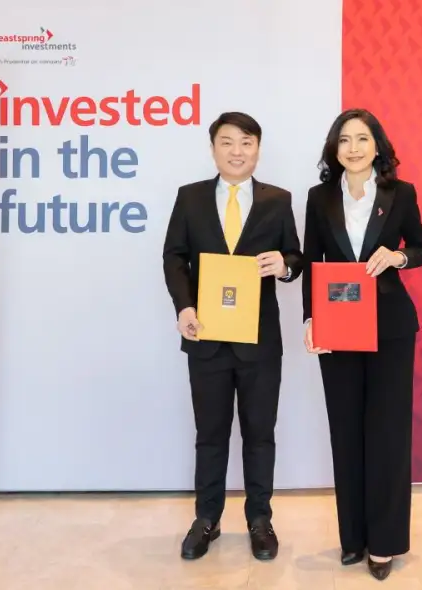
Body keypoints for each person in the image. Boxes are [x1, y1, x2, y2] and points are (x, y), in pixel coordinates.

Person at [162, 112, 304, 561]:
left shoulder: (277, 200)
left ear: (258, 149)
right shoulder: (190, 197)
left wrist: (285, 266)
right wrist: (184, 307)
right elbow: (174, 257)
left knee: (260, 433)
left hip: (259, 340)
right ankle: (207, 518)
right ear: (213, 149)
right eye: (227, 142)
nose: (237, 151)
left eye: (246, 142)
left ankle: (260, 520)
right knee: (210, 434)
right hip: (205, 336)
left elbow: (296, 256)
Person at [301, 108, 422, 581]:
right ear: (334, 149)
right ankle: (352, 538)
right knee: (346, 432)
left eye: (362, 139)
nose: (353, 148)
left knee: (388, 436)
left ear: (378, 146)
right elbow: (312, 261)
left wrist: (397, 257)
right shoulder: (319, 197)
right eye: (344, 140)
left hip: (390, 327)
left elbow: (421, 249)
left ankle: (385, 543)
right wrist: (311, 319)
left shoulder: (401, 193)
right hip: (337, 326)